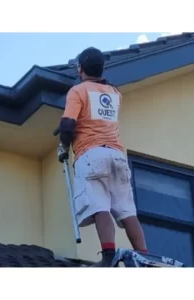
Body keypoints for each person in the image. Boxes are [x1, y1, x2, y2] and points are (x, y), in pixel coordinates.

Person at [57, 47, 147, 267]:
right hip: (117, 155)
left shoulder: (78, 91)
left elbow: (68, 124)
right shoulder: (115, 93)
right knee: (126, 210)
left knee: (100, 206)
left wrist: (63, 145)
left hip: (91, 154)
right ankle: (143, 257)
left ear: (80, 68)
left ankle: (108, 256)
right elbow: (96, 118)